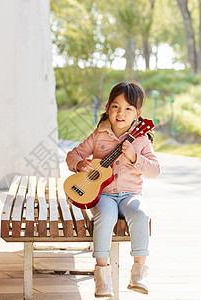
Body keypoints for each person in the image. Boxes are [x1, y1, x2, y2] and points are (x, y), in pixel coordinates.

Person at [65, 81, 160, 297]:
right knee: (105, 215)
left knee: (140, 213)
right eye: (116, 106)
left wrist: (134, 157)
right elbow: (73, 155)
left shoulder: (141, 139)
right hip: (103, 195)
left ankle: (138, 274)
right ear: (107, 108)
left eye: (128, 109)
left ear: (138, 114)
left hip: (131, 195)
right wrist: (80, 164)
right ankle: (102, 278)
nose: (121, 113)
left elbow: (155, 169)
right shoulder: (98, 135)